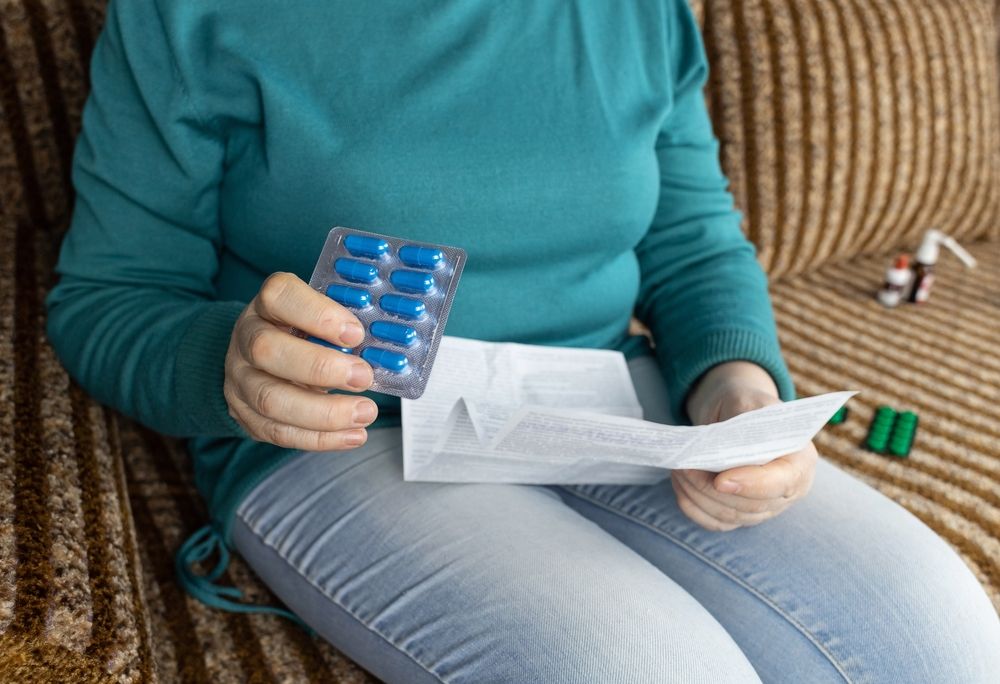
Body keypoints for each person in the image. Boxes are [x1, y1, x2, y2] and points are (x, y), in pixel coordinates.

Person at [46, 1, 1000, 681]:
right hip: (346, 435)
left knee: (944, 634)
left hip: (604, 398)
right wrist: (229, 365)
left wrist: (735, 389)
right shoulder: (185, 15)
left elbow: (690, 238)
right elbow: (107, 297)